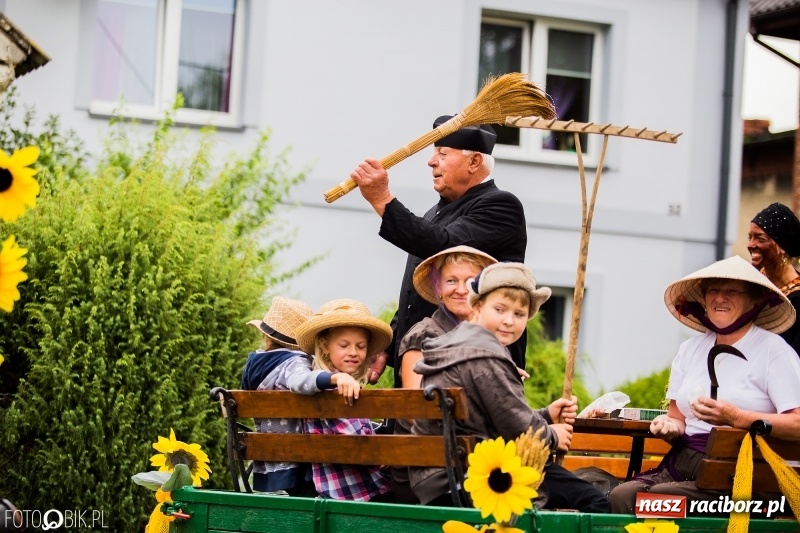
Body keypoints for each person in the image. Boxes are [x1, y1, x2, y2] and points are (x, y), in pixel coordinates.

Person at [409, 262, 610, 513]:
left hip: (435, 477)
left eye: (519, 314)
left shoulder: (453, 345)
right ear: (477, 306)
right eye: (500, 309)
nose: (509, 321)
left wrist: (546, 415)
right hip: (475, 477)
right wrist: (552, 435)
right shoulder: (486, 356)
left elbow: (494, 415)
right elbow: (518, 428)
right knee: (596, 501)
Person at [608, 256, 800, 514]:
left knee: (658, 500)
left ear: (755, 301)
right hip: (687, 462)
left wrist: (736, 417)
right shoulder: (690, 349)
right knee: (621, 496)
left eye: (732, 291)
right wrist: (668, 427)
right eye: (713, 290)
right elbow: (677, 419)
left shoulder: (774, 351)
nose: (720, 298)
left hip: (743, 474)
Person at [350, 115, 528, 386]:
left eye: (442, 154)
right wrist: (389, 346)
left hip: (472, 364)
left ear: (474, 162)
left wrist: (382, 199)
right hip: (420, 357)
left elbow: (444, 245)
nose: (431, 162)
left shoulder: (501, 205)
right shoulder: (435, 212)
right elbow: (418, 292)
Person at [291, 298, 394, 502]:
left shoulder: (322, 384)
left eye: (361, 346)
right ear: (325, 345)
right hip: (360, 492)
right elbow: (359, 448)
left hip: (334, 490)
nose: (353, 352)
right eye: (344, 345)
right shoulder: (337, 389)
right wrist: (387, 453)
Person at [240, 296, 315, 495]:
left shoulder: (253, 364)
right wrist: (330, 378)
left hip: (268, 457)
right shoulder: (295, 363)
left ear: (267, 337)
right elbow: (302, 381)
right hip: (297, 458)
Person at [399, 245, 499, 389]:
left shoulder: (489, 335)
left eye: (470, 281)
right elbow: (416, 400)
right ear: (438, 286)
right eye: (451, 281)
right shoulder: (423, 337)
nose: (461, 290)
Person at [748, 202, 800, 355]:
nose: (751, 244)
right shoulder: (749, 283)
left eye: (760, 239)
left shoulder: (797, 300)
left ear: (782, 246)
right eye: (750, 237)